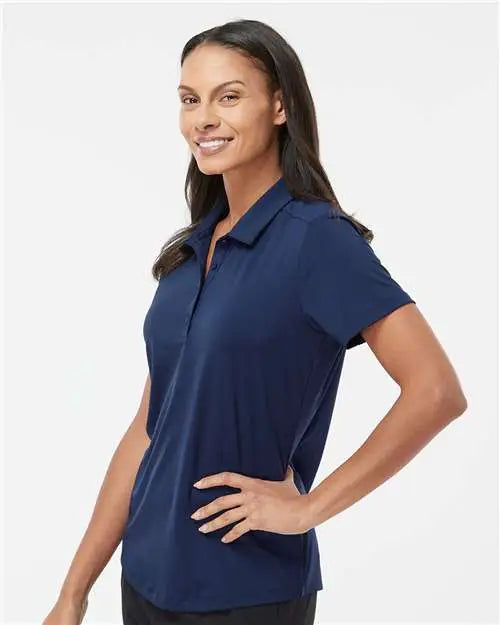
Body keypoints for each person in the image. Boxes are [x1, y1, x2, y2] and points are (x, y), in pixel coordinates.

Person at [42, 18, 468, 625]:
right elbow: (147, 431)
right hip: (145, 579)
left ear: (280, 106)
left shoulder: (317, 240)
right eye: (190, 99)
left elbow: (436, 391)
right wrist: (74, 592)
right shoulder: (190, 251)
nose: (203, 119)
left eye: (229, 96)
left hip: (246, 592)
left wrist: (308, 509)